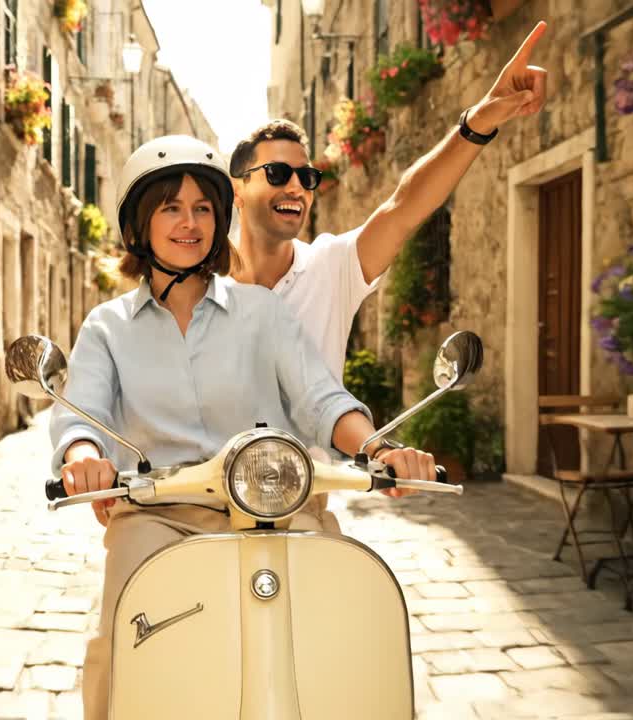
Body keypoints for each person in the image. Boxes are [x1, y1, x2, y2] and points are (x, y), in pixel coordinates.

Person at [49, 135, 440, 720]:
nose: (190, 223)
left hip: (276, 509)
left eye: (203, 208)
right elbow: (83, 412)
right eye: (171, 208)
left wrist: (380, 448)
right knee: (121, 631)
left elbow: (320, 398)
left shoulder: (261, 312)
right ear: (139, 223)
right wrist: (83, 455)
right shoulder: (107, 328)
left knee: (348, 616)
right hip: (159, 514)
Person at [228, 22, 550, 384]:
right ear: (237, 189)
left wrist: (478, 121)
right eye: (276, 173)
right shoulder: (199, 283)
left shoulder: (330, 267)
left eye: (306, 177)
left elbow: (403, 207)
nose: (295, 187)